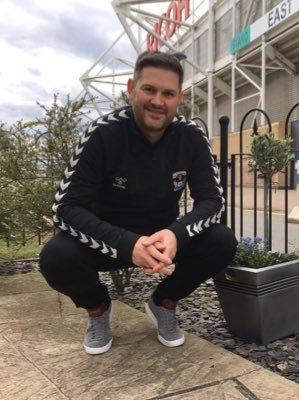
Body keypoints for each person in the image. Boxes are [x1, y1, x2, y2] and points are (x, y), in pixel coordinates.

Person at [39, 51, 237, 355]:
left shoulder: (191, 137)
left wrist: (176, 233)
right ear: (132, 88)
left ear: (179, 98)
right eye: (149, 90)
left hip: (162, 242)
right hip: (107, 241)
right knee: (56, 255)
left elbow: (212, 200)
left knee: (222, 240)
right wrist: (127, 243)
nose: (158, 101)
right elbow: (65, 209)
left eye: (168, 93)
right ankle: (98, 309)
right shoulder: (102, 133)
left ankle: (164, 302)